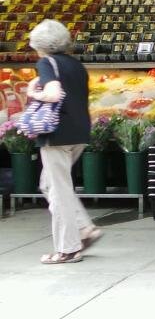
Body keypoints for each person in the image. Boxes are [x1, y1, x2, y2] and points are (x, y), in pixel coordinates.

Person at [28, 19, 102, 265]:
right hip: (80, 131)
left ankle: (68, 249)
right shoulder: (75, 65)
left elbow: (53, 93)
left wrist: (35, 94)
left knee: (57, 190)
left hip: (57, 133)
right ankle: (84, 229)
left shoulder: (46, 62)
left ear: (41, 45)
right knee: (50, 184)